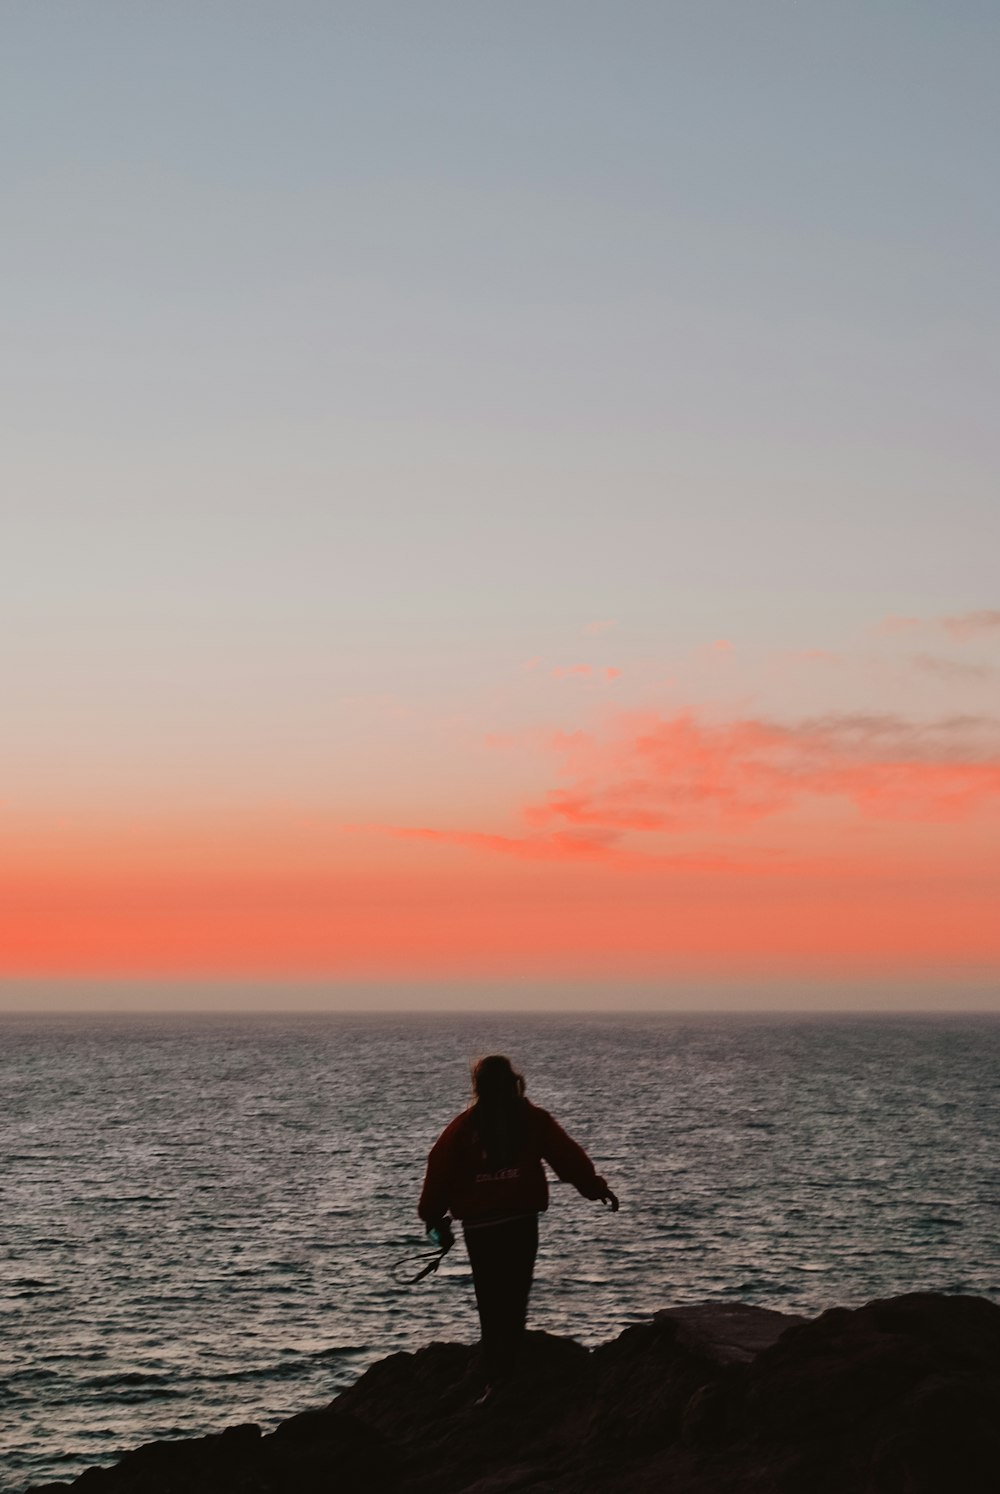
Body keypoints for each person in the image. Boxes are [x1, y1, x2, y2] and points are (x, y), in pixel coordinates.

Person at [418, 1054, 619, 1397]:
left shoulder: (462, 1128)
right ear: (513, 1081)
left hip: (480, 1230)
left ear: (477, 1086)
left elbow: (438, 1175)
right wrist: (595, 1188)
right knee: (513, 1299)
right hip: (519, 1224)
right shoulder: (533, 1120)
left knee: (491, 1300)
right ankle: (504, 1377)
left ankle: (495, 1377)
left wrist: (434, 1218)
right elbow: (567, 1158)